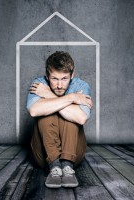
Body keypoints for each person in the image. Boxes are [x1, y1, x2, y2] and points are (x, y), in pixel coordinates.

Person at [26, 51, 93, 188]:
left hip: (74, 153)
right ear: (47, 76)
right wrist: (71, 98)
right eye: (54, 79)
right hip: (44, 155)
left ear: (72, 76)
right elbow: (34, 111)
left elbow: (80, 118)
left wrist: (48, 95)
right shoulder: (39, 84)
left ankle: (67, 166)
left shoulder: (81, 86)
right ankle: (54, 167)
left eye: (64, 79)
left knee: (68, 112)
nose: (59, 85)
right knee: (46, 111)